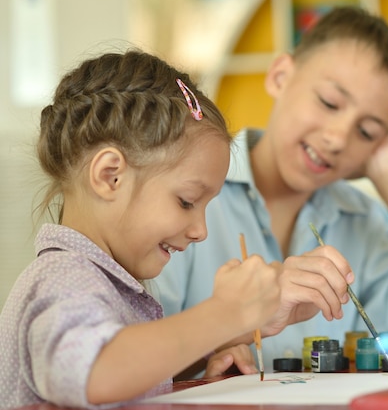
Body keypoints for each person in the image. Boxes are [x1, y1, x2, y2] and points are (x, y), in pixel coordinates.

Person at [155, 6, 388, 371]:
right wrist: (217, 349)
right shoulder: (187, 194)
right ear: (281, 77)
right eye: (329, 103)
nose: (338, 138)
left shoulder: (361, 222)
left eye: (367, 132)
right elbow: (124, 355)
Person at [0, 50, 291, 409]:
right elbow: (96, 373)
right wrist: (223, 313)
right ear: (111, 176)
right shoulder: (63, 277)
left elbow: (128, 376)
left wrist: (209, 353)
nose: (201, 231)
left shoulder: (106, 281)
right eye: (186, 201)